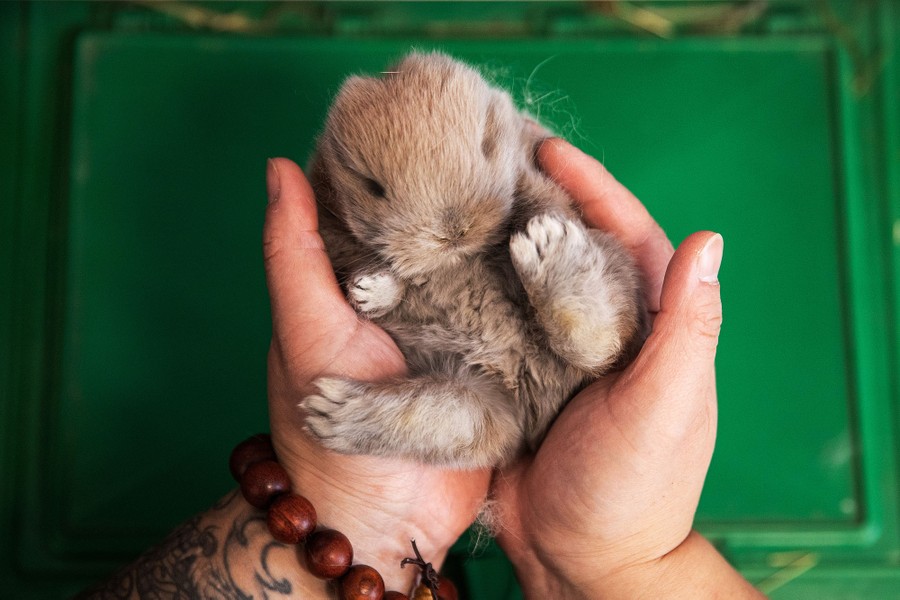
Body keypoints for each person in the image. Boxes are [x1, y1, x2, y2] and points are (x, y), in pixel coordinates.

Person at [78, 138, 764, 599]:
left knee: (598, 306)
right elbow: (409, 313)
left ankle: (572, 303)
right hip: (463, 384)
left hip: (557, 352)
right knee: (453, 408)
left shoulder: (520, 194)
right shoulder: (376, 235)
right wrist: (626, 564)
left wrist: (621, 558)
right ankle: (394, 414)